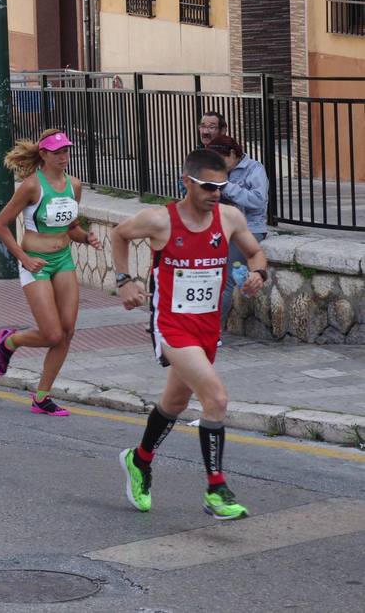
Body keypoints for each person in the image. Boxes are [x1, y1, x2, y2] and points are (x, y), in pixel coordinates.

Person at [112, 148, 268, 520]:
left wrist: (258, 274)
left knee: (175, 403)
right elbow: (119, 235)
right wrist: (124, 281)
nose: (216, 193)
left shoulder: (229, 217)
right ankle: (216, 490)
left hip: (207, 327)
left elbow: (255, 254)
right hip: (172, 326)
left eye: (221, 186)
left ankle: (139, 459)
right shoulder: (160, 221)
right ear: (188, 182)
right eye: (208, 186)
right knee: (215, 398)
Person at [0, 129, 104, 416]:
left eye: (66, 151)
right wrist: (24, 258)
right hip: (36, 262)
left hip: (63, 260)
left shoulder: (74, 185)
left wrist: (86, 237)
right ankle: (9, 341)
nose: (64, 157)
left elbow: (71, 227)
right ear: (43, 155)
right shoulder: (31, 186)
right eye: (57, 152)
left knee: (67, 332)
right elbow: (0, 224)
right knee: (52, 333)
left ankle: (42, 397)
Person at [208, 136, 269, 319]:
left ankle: (214, 331)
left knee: (225, 280)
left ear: (233, 153)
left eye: (221, 160)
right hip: (220, 228)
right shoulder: (218, 171)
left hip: (249, 228)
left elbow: (258, 200)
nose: (218, 165)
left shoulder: (254, 169)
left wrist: (226, 187)